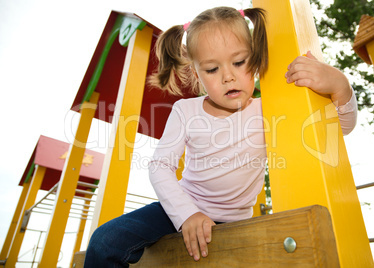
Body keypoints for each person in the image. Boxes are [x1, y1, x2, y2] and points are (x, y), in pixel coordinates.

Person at [84, 6, 357, 267]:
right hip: (180, 209)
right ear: (197, 73)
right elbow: (160, 165)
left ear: (256, 57)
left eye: (239, 62)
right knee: (104, 242)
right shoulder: (186, 111)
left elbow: (338, 130)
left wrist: (341, 88)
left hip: (238, 222)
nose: (228, 76)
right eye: (213, 69)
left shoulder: (270, 109)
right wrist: (186, 215)